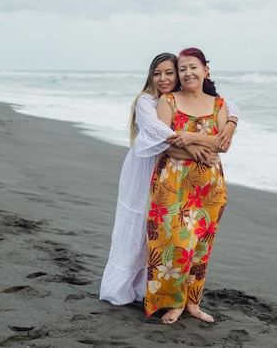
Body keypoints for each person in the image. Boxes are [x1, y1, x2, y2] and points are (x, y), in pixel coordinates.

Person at [99, 53, 238, 306]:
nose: (163, 78)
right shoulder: (147, 100)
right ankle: (123, 286)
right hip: (147, 166)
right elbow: (161, 137)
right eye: (157, 73)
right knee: (143, 230)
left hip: (177, 168)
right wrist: (194, 150)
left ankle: (149, 289)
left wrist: (231, 122)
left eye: (169, 72)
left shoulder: (186, 98)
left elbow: (226, 107)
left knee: (162, 235)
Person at [144, 47, 232, 324]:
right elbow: (164, 140)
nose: (187, 72)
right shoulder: (168, 101)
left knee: (200, 248)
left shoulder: (219, 105)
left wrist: (186, 134)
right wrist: (199, 141)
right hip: (172, 182)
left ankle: (192, 303)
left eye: (193, 67)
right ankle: (175, 302)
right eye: (182, 69)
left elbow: (223, 145)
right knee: (176, 243)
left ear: (206, 70)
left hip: (209, 185)